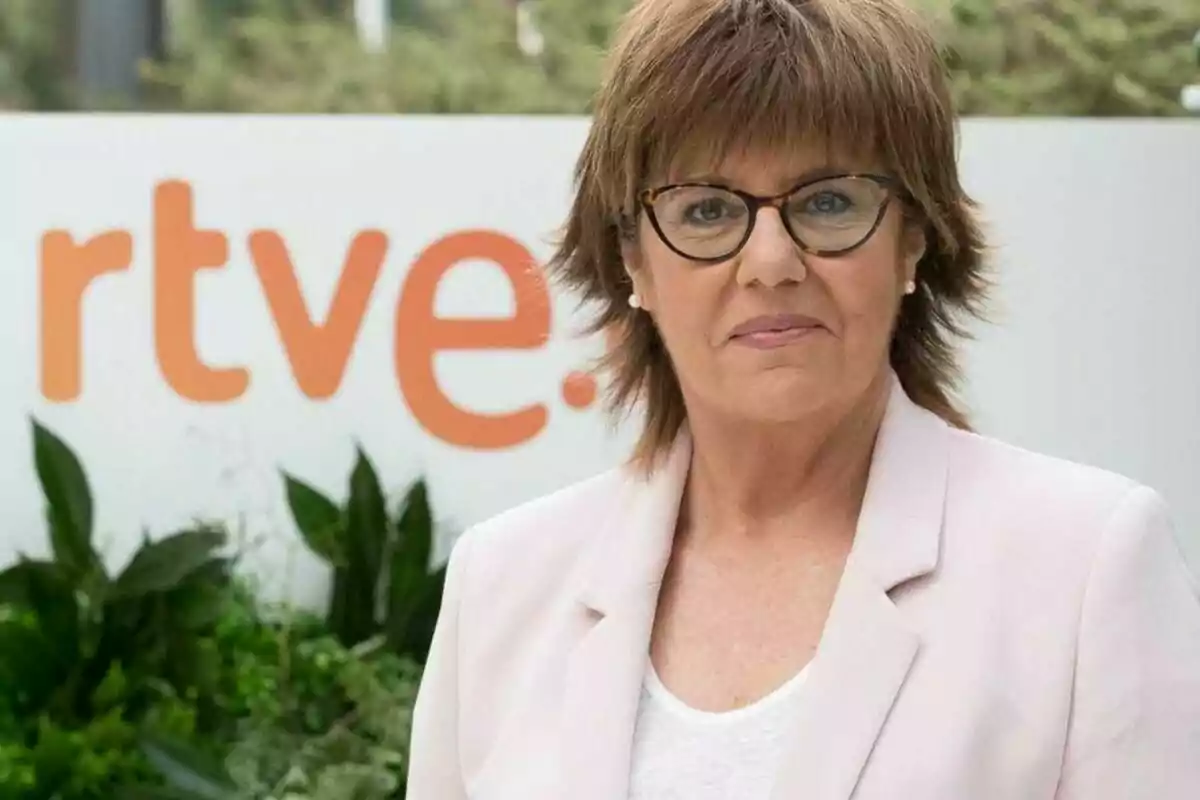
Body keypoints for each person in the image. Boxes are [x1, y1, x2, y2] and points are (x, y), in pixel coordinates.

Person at [406, 0, 1200, 797]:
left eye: (828, 202)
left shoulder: (1086, 566)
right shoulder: (502, 584)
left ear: (913, 238)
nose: (772, 262)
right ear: (632, 263)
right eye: (707, 210)